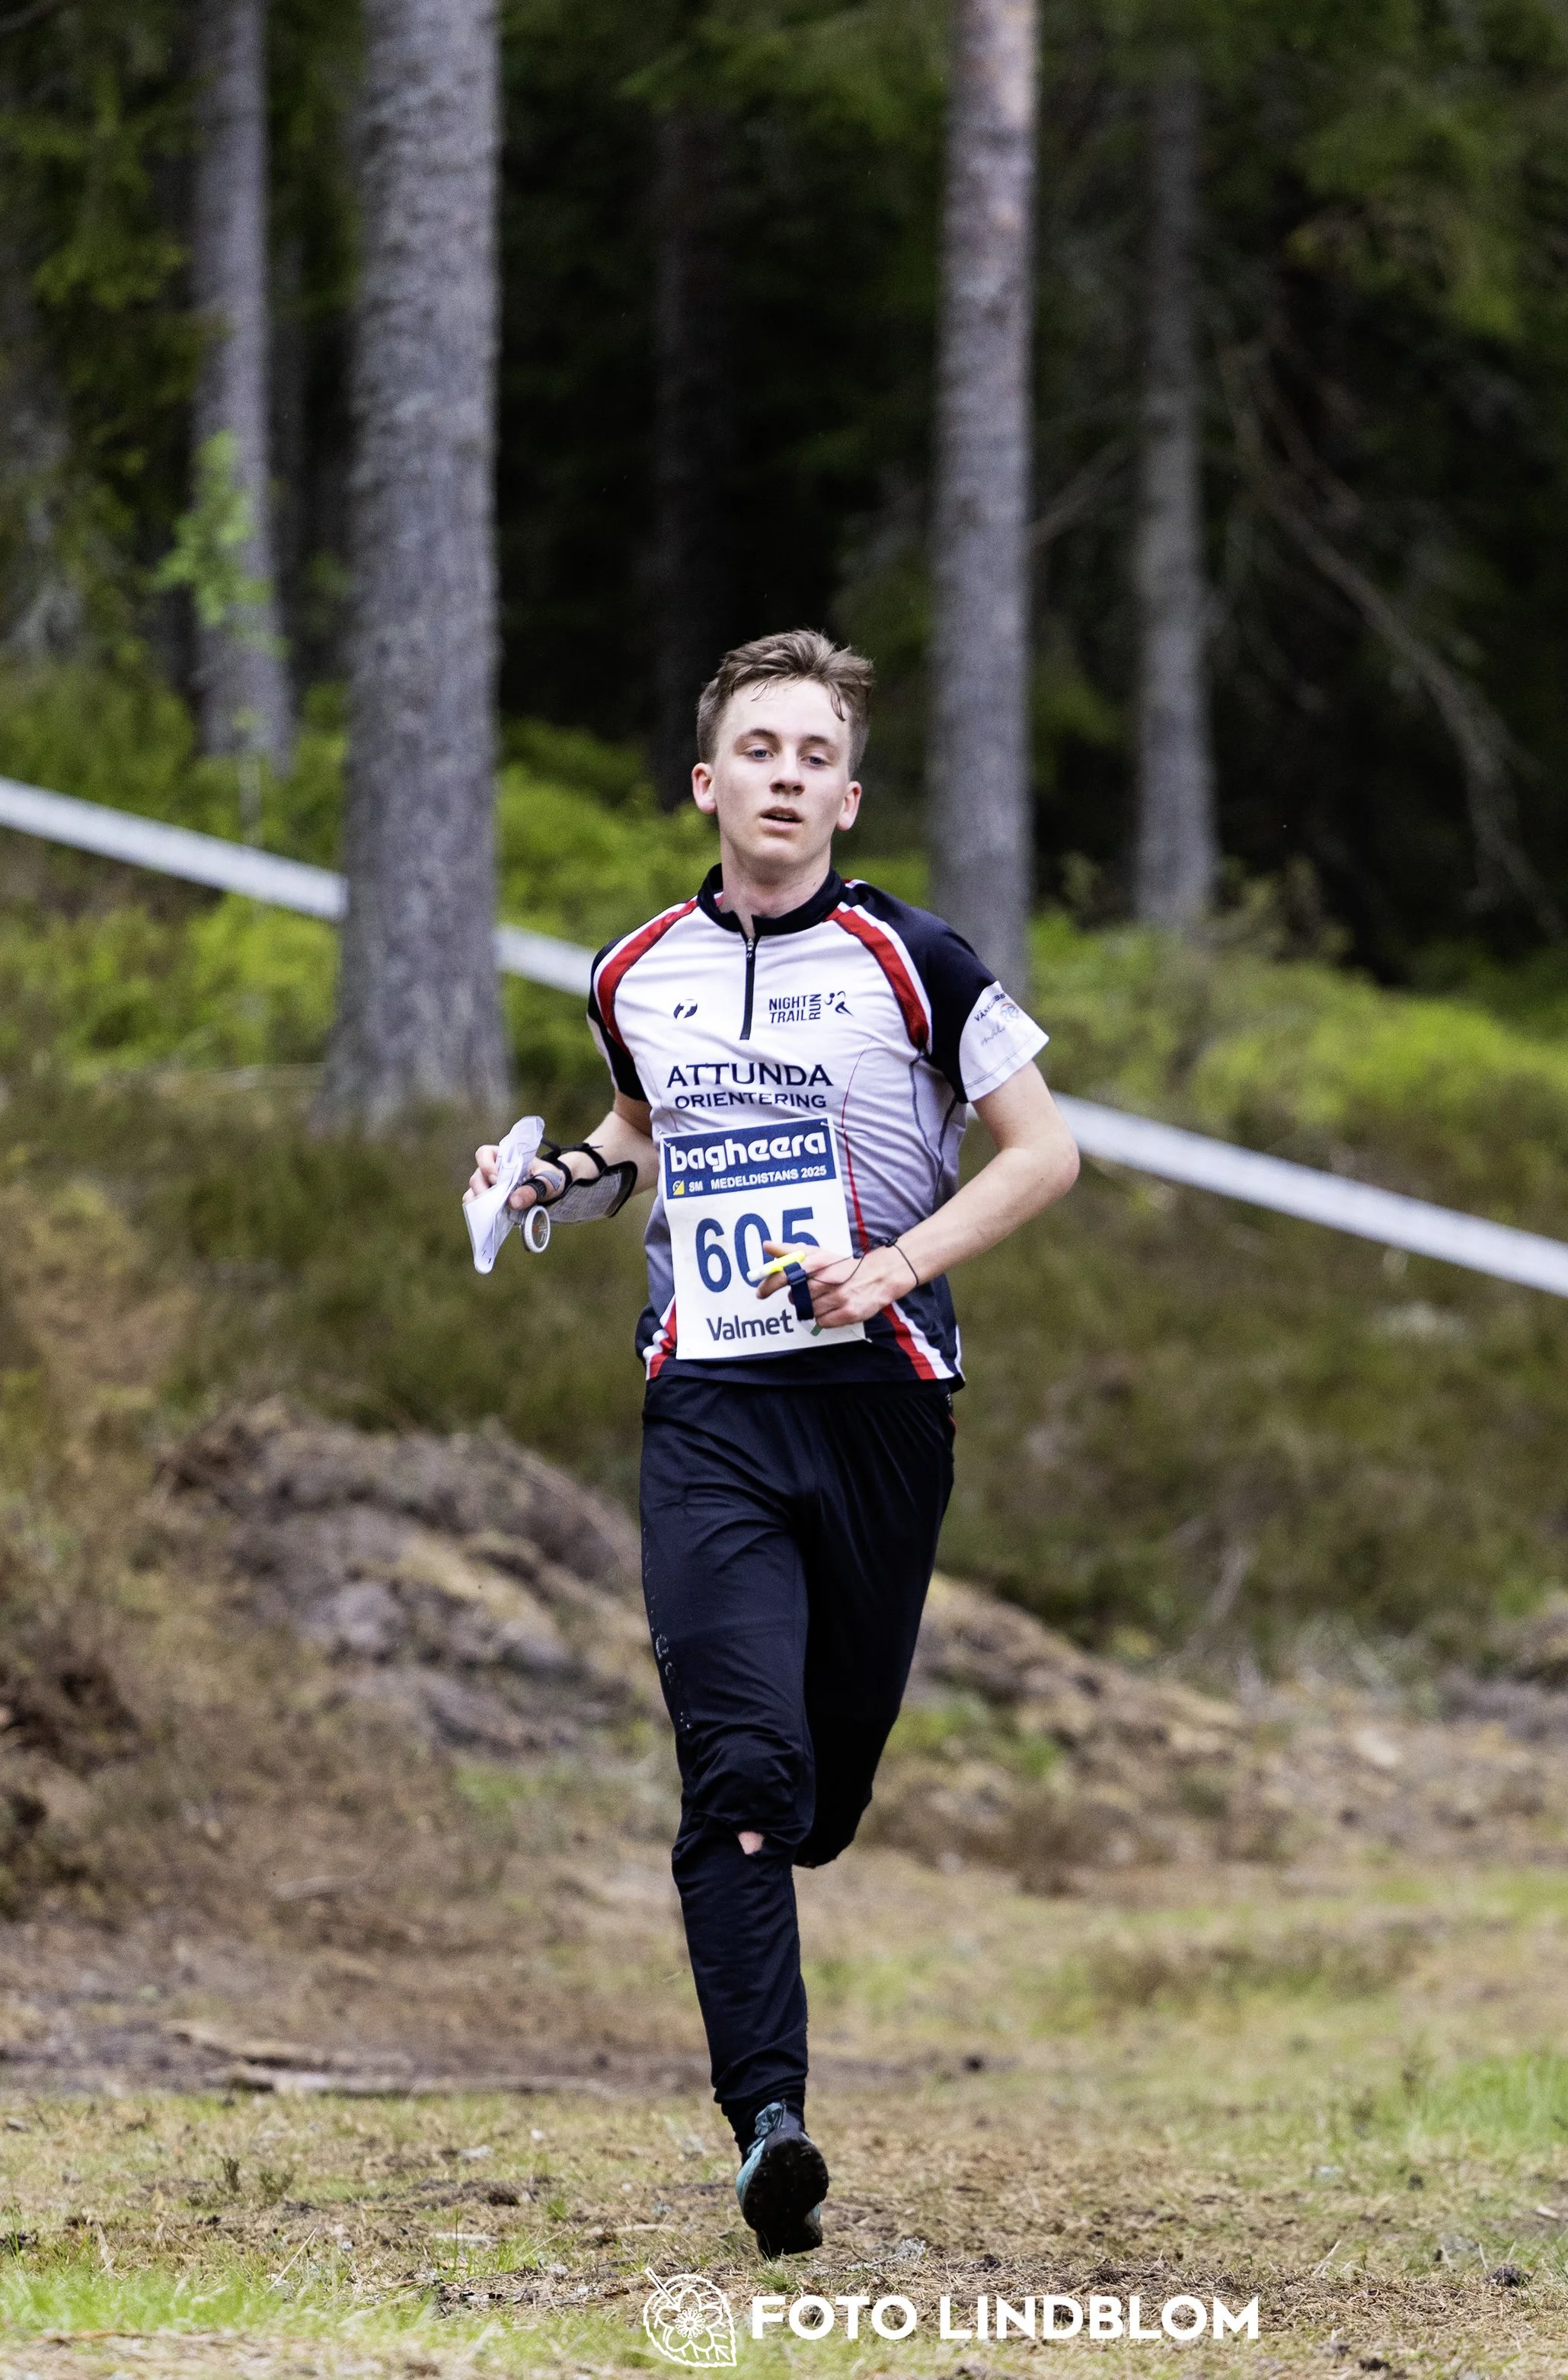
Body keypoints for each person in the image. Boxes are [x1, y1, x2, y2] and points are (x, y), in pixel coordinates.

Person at [468, 629, 1078, 2259]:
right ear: (707, 781)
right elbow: (635, 1137)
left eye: (815, 756)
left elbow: (1045, 1153)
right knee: (739, 1772)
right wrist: (551, 1184)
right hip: (713, 1406)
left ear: (848, 798)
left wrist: (896, 1263)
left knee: (817, 1789)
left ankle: (796, 1828)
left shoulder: (917, 961)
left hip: (879, 1402)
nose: (786, 777)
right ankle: (770, 2128)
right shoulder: (634, 972)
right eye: (759, 750)